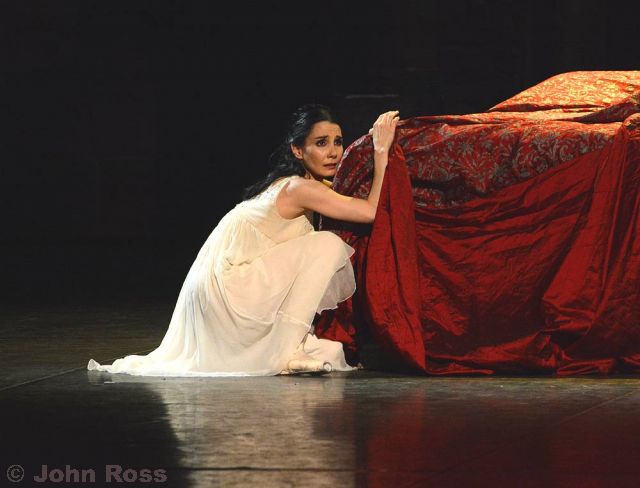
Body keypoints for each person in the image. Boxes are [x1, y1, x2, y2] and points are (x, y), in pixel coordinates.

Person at [87, 105, 399, 376]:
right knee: (327, 245)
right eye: (321, 143)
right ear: (297, 150)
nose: (332, 152)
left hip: (218, 293)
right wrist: (381, 152)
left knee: (329, 349)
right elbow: (370, 211)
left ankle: (292, 345)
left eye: (338, 142)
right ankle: (289, 349)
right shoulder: (298, 188)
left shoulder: (296, 184)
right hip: (226, 293)